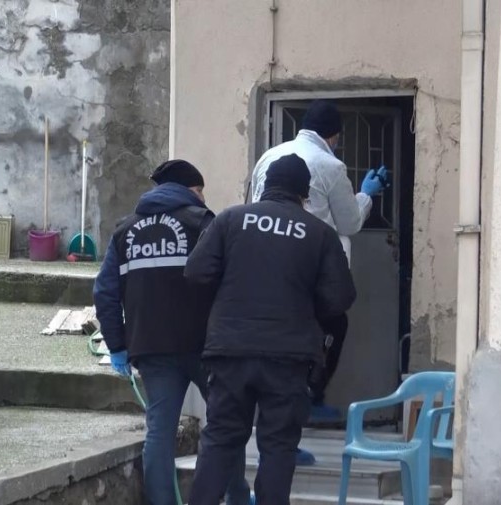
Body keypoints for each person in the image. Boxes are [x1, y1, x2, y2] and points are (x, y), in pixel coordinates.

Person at [186, 154, 356, 505]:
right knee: (278, 445)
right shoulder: (320, 234)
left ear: (264, 186)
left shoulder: (230, 220)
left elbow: (196, 272)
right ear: (304, 195)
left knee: (220, 439)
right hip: (289, 356)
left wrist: (227, 302)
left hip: (230, 350)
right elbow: (339, 298)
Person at [93, 160, 250, 505]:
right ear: (190, 190)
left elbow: (104, 292)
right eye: (201, 191)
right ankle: (237, 497)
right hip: (206, 346)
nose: (203, 197)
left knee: (160, 433)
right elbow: (231, 283)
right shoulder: (203, 223)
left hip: (151, 347)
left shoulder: (125, 231)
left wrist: (117, 345)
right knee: (227, 424)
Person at [250, 99, 388, 427]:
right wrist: (367, 194)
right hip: (310, 270)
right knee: (330, 328)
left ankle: (284, 409)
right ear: (334, 136)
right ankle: (310, 398)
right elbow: (349, 223)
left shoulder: (269, 156)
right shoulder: (330, 166)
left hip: (264, 268)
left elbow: (255, 207)